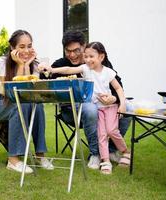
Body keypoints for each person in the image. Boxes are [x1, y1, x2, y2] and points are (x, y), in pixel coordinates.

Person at [40, 31, 131, 169]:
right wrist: (45, 69)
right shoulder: (63, 63)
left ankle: (111, 151)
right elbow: (45, 79)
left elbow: (118, 86)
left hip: (104, 107)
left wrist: (114, 99)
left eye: (76, 50)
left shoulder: (100, 62)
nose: (72, 55)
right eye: (68, 51)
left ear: (84, 47)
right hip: (71, 111)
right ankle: (95, 153)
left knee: (129, 108)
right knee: (90, 108)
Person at [0, 30, 54, 173]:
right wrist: (21, 66)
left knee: (37, 106)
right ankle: (13, 160)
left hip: (19, 101)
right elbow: (11, 92)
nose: (26, 50)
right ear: (12, 47)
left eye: (29, 46)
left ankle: (39, 155)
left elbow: (28, 94)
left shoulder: (35, 65)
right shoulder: (1, 62)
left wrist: (28, 65)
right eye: (22, 47)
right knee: (19, 106)